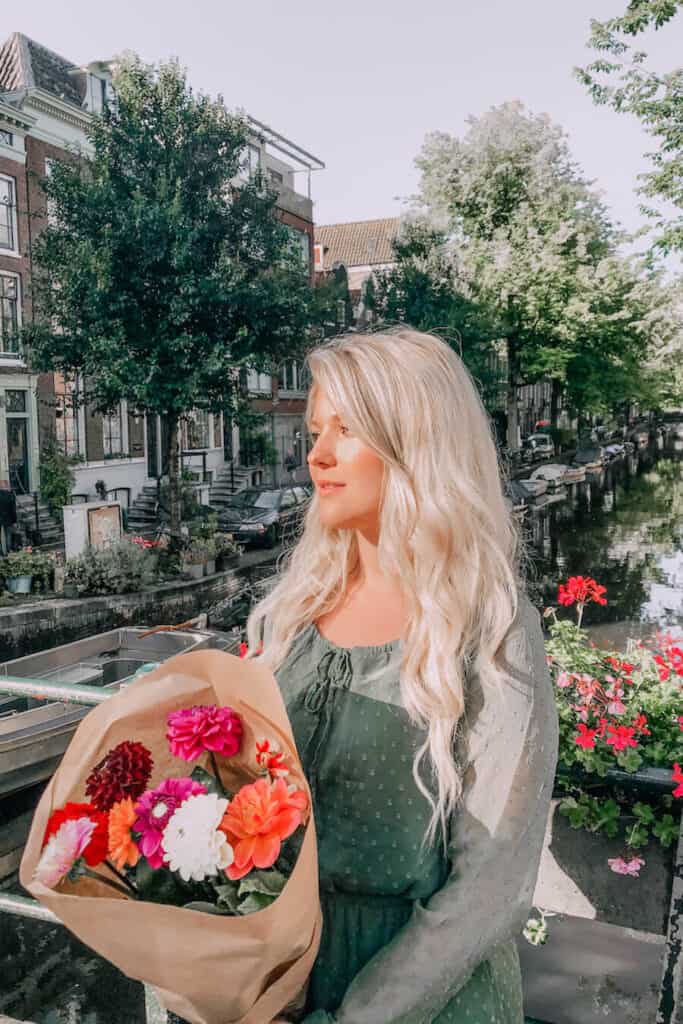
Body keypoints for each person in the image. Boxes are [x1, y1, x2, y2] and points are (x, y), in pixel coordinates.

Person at [243, 327, 559, 1024]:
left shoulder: (490, 631)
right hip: (277, 983)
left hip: (415, 996)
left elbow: (492, 884)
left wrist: (359, 1015)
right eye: (314, 430)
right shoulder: (291, 617)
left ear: (416, 446)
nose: (316, 456)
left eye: (346, 430)